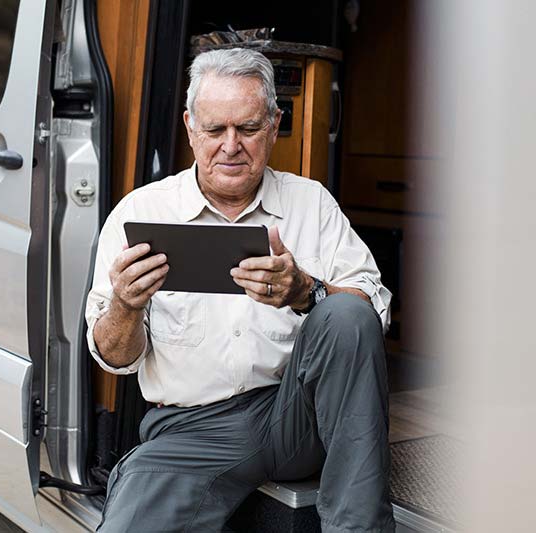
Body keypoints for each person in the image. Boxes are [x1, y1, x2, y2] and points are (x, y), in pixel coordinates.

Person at [84, 48, 394, 532]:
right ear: (190, 127)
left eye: (248, 128)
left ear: (273, 124)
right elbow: (112, 357)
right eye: (214, 130)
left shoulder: (311, 204)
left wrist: (305, 291)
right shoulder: (140, 213)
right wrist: (125, 304)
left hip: (294, 417)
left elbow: (371, 317)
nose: (231, 146)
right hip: (192, 430)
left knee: (345, 313)